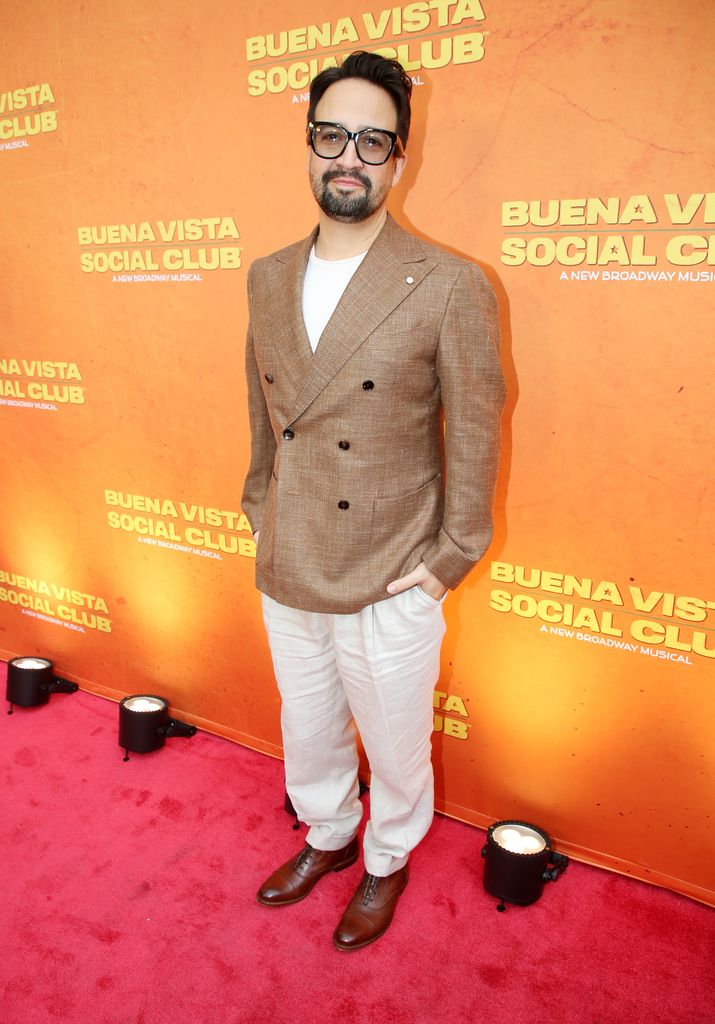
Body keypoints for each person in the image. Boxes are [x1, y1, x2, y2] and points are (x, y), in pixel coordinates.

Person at [241, 50, 505, 951]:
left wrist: (446, 562)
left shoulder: (446, 283)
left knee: (394, 747)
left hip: (392, 571)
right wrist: (258, 511)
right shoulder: (267, 276)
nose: (347, 156)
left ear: (398, 159)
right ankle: (325, 833)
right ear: (307, 144)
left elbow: (475, 428)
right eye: (330, 134)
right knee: (307, 727)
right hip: (289, 560)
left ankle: (386, 858)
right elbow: (264, 412)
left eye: (371, 140)